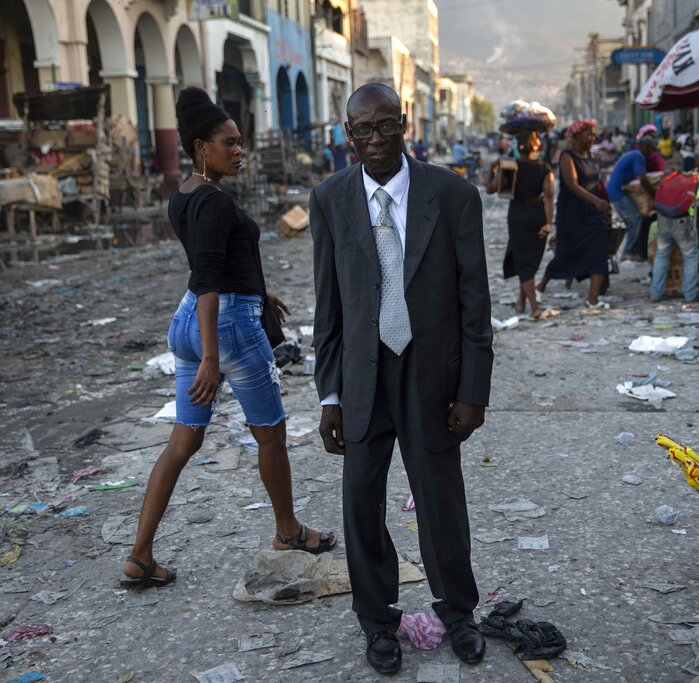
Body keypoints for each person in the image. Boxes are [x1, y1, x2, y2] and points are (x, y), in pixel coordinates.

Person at [119, 88, 335, 590]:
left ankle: (140, 555)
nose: (240, 151)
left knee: (182, 442)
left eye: (241, 143)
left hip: (188, 320)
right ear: (201, 147)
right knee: (270, 433)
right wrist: (212, 358)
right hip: (225, 327)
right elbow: (211, 277)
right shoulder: (215, 202)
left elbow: (209, 264)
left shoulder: (184, 197)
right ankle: (287, 530)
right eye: (230, 143)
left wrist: (261, 292)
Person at [310, 83, 492, 676]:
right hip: (362, 376)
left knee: (440, 497)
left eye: (385, 125)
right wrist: (330, 393)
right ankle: (378, 620)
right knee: (361, 501)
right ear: (347, 135)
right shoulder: (330, 199)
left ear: (405, 124)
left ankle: (459, 613)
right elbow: (327, 305)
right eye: (361, 130)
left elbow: (474, 302)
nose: (375, 140)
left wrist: (473, 390)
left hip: (430, 373)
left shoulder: (454, 195)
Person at [536, 119, 611, 305]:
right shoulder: (567, 156)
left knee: (599, 251)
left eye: (594, 134)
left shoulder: (592, 157)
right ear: (577, 137)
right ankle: (540, 286)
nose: (592, 138)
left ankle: (592, 300)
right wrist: (597, 202)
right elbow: (572, 185)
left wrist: (604, 205)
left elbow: (596, 183)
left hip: (592, 212)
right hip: (572, 213)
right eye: (588, 134)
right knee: (566, 252)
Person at [486, 129, 554, 318]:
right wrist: (549, 223)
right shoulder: (544, 168)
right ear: (537, 146)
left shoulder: (509, 166)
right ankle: (534, 307)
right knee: (529, 261)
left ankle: (523, 301)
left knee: (523, 259)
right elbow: (549, 197)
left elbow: (491, 189)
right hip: (537, 214)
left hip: (517, 216)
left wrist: (492, 170)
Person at [650, 156, 699, 303]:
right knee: (690, 256)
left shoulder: (673, 178)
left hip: (663, 219)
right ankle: (690, 295)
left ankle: (655, 294)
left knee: (662, 254)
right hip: (683, 221)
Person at [608, 135, 658, 260]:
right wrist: (654, 195)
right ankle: (628, 251)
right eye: (650, 149)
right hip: (617, 192)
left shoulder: (633, 154)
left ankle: (631, 249)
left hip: (616, 191)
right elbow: (642, 178)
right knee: (635, 218)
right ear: (645, 147)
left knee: (632, 219)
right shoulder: (638, 156)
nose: (651, 152)